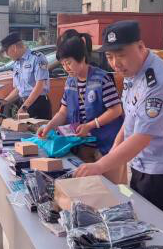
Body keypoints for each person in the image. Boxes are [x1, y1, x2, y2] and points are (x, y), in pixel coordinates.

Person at [74, 20, 163, 222]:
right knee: (139, 222)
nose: (115, 63)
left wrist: (99, 166)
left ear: (140, 46)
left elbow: (141, 138)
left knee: (161, 231)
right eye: (110, 57)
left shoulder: (158, 83)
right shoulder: (133, 71)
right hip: (141, 166)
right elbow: (129, 118)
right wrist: (113, 154)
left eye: (121, 55)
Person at [38, 29, 125, 183]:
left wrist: (90, 125)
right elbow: (63, 112)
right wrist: (49, 126)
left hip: (107, 147)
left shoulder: (102, 79)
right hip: (83, 147)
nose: (66, 68)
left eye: (69, 62)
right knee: (88, 188)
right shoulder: (70, 81)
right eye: (63, 64)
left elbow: (116, 110)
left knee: (112, 188)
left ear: (82, 58)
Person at [0, 32, 52, 119]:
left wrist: (25, 107)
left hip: (38, 104)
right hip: (24, 104)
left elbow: (40, 86)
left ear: (14, 48)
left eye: (7, 52)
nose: (7, 55)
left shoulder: (37, 58)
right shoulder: (17, 63)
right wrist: (3, 102)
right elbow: (18, 89)